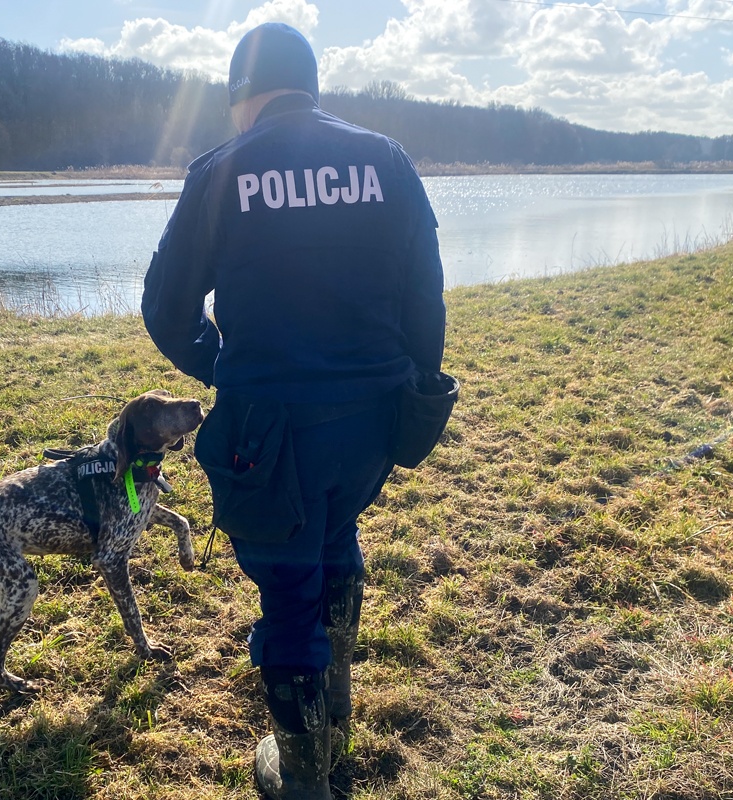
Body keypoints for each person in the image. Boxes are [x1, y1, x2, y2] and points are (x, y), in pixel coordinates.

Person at [141, 21, 445, 799]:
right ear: (310, 87)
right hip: (370, 425)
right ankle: (333, 715)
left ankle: (304, 776)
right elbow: (426, 301)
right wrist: (407, 382)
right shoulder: (384, 159)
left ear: (242, 98)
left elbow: (167, 309)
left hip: (267, 436)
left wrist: (222, 368)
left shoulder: (221, 170)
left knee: (286, 595)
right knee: (335, 534)